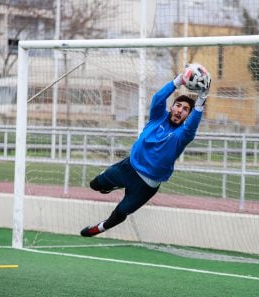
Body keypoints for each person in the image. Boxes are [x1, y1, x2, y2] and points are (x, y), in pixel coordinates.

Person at [80, 65, 210, 237]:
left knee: (121, 213)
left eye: (185, 110)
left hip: (146, 186)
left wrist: (202, 98)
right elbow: (158, 98)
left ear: (187, 116)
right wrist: (179, 80)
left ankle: (98, 228)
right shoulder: (158, 117)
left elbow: (193, 124)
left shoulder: (182, 135)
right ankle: (116, 184)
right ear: (171, 108)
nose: (180, 110)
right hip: (127, 169)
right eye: (178, 106)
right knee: (95, 185)